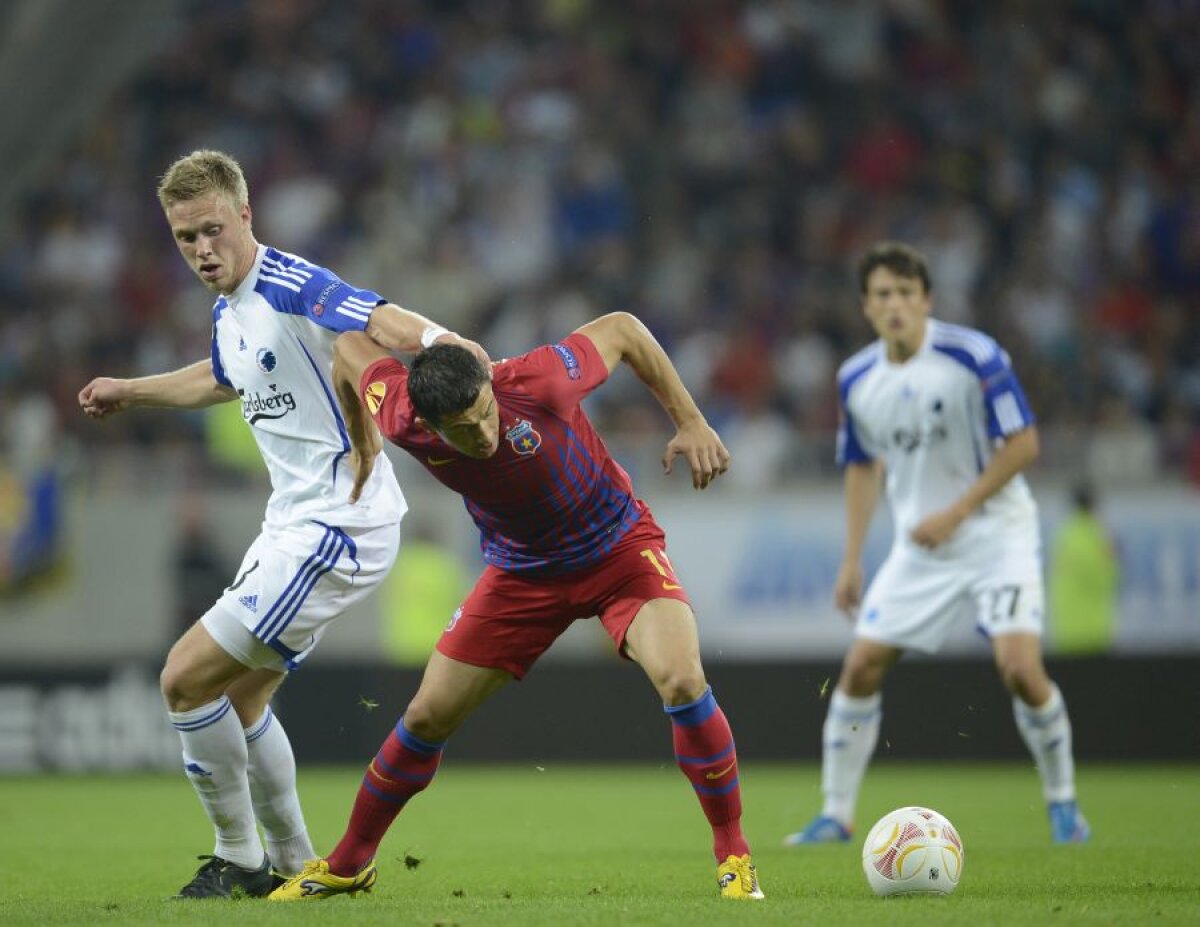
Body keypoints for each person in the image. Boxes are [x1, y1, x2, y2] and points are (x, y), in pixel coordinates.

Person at [77, 149, 486, 898]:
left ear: (244, 217)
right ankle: (303, 866)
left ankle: (239, 857)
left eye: (211, 230)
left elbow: (375, 312)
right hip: (296, 524)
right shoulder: (229, 312)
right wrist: (131, 389)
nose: (202, 249)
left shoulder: (288, 282)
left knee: (182, 679)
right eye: (184, 238)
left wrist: (447, 347)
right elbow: (221, 376)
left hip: (336, 526)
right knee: (240, 700)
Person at [269, 311, 765, 902]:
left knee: (682, 680)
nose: (482, 433)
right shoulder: (401, 414)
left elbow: (625, 330)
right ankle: (348, 863)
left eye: (483, 412)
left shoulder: (540, 380)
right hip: (521, 575)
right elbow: (349, 349)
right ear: (426, 423)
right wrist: (364, 439)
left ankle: (734, 855)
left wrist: (690, 420)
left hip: (618, 551)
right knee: (426, 717)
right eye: (461, 429)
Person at [784, 242, 1090, 847]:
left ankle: (1064, 805)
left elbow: (1024, 444)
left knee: (1019, 669)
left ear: (926, 299)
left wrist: (956, 512)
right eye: (882, 295)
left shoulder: (973, 355)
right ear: (865, 306)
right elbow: (862, 465)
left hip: (996, 531)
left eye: (905, 292)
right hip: (922, 545)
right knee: (861, 664)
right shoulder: (856, 378)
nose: (895, 304)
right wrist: (851, 558)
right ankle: (836, 814)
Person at [1049, 482, 1119, 655]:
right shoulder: (1097, 537)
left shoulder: (1063, 536)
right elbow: (1108, 579)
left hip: (1065, 632)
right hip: (1093, 633)